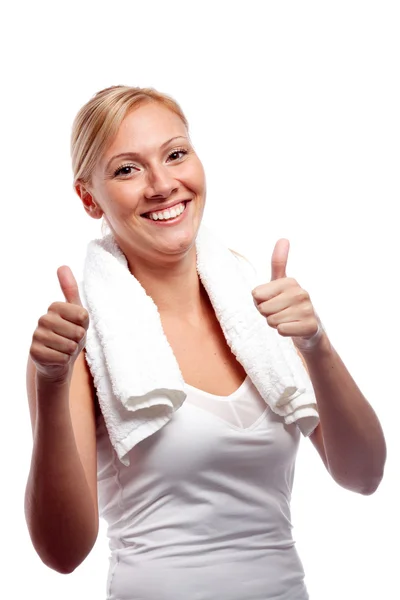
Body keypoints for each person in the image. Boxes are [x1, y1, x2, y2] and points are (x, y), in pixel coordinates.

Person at [24, 85, 387, 600]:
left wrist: (317, 345)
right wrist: (51, 384)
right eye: (128, 169)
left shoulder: (260, 310)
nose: (162, 184)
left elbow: (364, 475)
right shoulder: (78, 344)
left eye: (175, 154)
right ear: (89, 198)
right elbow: (63, 554)